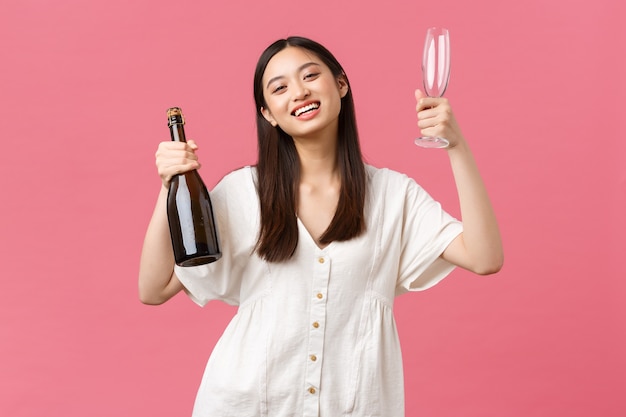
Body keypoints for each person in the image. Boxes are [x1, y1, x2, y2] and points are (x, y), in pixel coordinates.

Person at [138, 36, 503, 417]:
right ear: (268, 113)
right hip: (243, 405)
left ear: (341, 84)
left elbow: (484, 257)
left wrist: (456, 145)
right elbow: (154, 288)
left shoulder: (394, 196)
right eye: (279, 88)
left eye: (310, 75)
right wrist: (169, 186)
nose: (298, 92)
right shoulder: (244, 192)